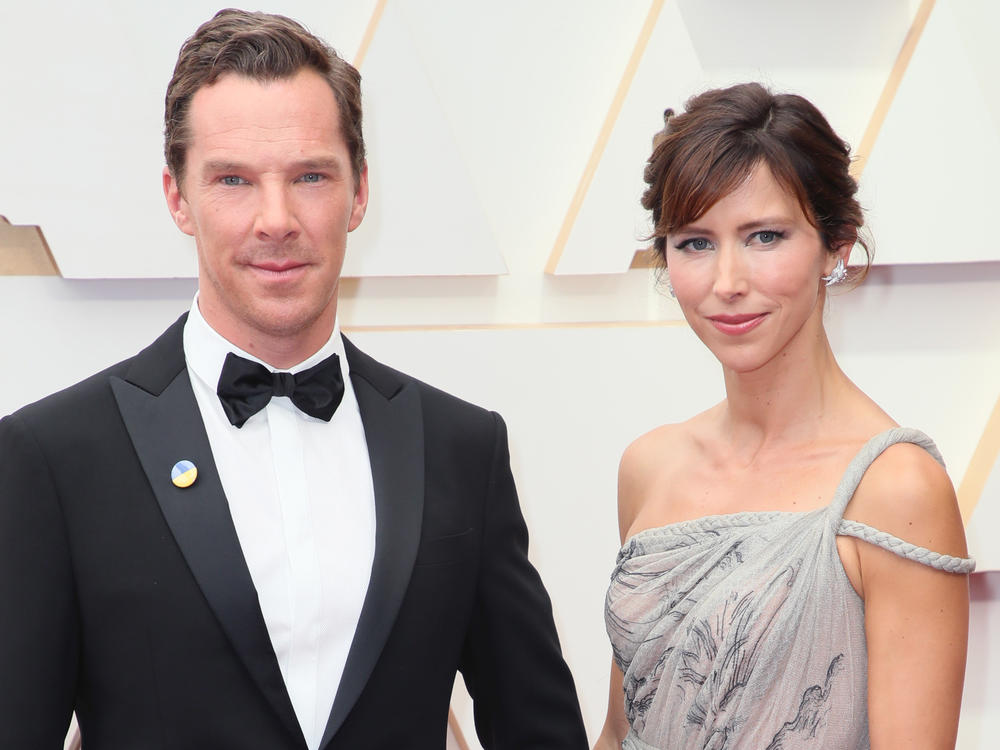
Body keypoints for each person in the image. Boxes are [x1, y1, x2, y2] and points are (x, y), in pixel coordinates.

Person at [0, 9, 587, 749]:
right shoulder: (55, 457)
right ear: (178, 197)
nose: (276, 220)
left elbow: (538, 729)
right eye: (235, 180)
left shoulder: (460, 448)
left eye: (310, 176)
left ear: (360, 192)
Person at [595, 83, 974, 750]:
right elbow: (622, 731)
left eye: (764, 236)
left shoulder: (895, 489)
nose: (727, 281)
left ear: (836, 247)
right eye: (694, 243)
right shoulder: (648, 467)